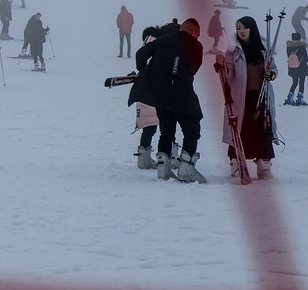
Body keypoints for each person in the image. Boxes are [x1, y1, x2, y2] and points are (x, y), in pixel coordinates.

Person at [129, 18, 205, 182]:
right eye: (197, 35)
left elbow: (140, 54)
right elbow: (194, 69)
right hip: (183, 95)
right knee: (192, 129)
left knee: (167, 130)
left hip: (161, 96)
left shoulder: (164, 39)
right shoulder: (196, 46)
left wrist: (146, 73)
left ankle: (163, 168)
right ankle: (186, 168)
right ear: (193, 32)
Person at [215, 16, 276, 180]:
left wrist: (272, 74)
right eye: (238, 28)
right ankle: (236, 164)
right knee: (239, 130)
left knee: (263, 131)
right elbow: (228, 72)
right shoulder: (233, 50)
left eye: (244, 27)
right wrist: (221, 66)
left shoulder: (264, 50)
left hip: (261, 97)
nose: (241, 31)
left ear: (252, 28)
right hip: (241, 98)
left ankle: (264, 166)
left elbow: (274, 68)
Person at [131, 26, 162, 169]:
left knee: (148, 125)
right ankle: (152, 158)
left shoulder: (146, 46)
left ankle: (143, 158)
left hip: (143, 93)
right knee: (158, 125)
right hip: (154, 93)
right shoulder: (155, 46)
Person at [285, 32, 308, 106]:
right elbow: (305, 57)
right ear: (299, 38)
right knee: (301, 83)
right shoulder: (301, 46)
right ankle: (300, 99)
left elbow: (288, 56)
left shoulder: (289, 46)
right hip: (302, 68)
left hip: (292, 68)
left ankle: (289, 98)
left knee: (294, 83)